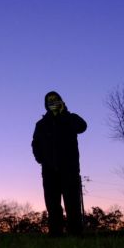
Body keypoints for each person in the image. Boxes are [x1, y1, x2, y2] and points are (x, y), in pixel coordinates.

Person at [31, 91, 87, 236]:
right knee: (52, 204)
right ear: (46, 105)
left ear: (61, 101)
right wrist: (40, 159)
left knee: (73, 203)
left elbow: (82, 127)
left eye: (55, 99)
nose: (53, 102)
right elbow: (35, 143)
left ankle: (76, 235)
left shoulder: (71, 118)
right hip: (49, 170)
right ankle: (55, 235)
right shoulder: (41, 124)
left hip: (70, 169)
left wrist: (65, 114)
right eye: (50, 100)